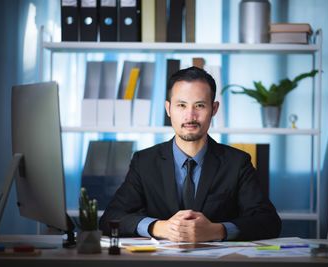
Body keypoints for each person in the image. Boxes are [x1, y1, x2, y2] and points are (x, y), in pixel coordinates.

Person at [99, 67, 281, 242]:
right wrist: (160, 227)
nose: (190, 116)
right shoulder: (144, 162)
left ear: (214, 109)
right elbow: (111, 218)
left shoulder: (237, 162)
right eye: (181, 105)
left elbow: (269, 221)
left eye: (199, 105)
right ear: (168, 109)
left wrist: (217, 230)